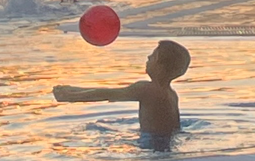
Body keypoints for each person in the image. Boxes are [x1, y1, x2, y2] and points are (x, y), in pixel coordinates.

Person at [52, 39, 191, 135]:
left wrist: (70, 97)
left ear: (160, 68)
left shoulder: (147, 89)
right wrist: (72, 89)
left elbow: (107, 94)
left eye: (153, 57)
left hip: (152, 145)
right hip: (166, 141)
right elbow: (108, 92)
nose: (148, 57)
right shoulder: (171, 94)